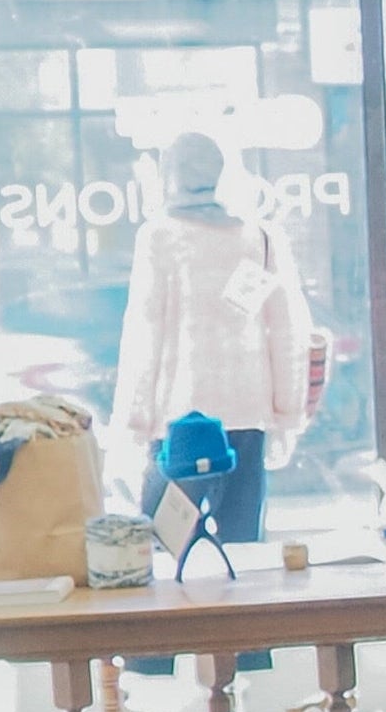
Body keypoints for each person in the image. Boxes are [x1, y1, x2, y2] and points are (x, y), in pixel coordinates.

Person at [113, 130, 313, 545]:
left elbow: (145, 332)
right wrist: (287, 412)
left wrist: (135, 420)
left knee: (165, 550)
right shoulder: (259, 238)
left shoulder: (160, 236)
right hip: (248, 417)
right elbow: (288, 330)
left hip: (180, 421)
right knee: (244, 555)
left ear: (171, 173)